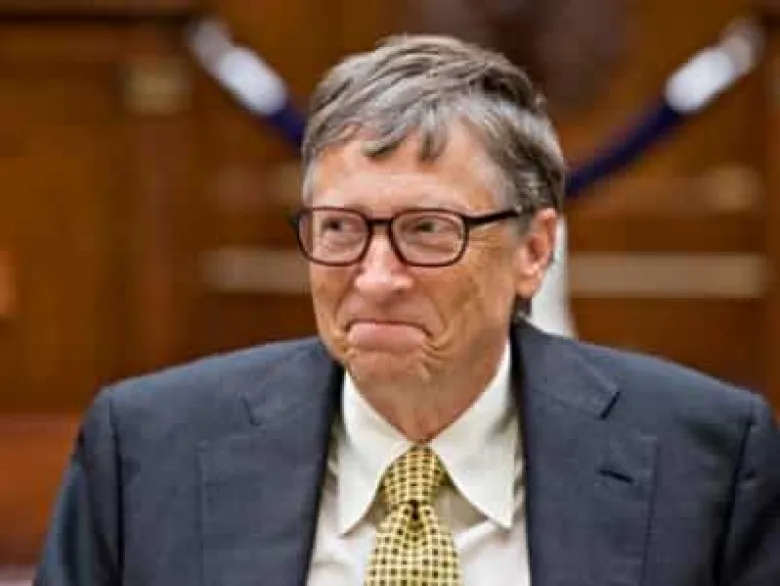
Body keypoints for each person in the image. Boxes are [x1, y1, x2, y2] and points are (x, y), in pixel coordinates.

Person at [35, 35, 779, 586]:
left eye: (428, 230)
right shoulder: (144, 452)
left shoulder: (707, 462)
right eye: (340, 228)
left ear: (533, 250)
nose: (377, 276)